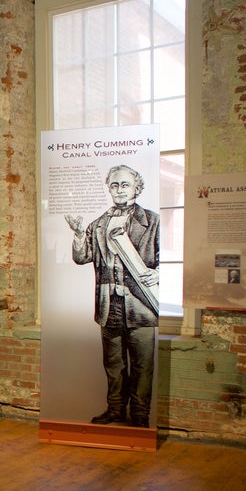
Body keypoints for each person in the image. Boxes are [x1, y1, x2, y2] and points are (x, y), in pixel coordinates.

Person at [64, 164, 159, 428]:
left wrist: (159, 274)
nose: (119, 189)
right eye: (114, 185)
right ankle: (115, 410)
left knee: (142, 366)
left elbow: (165, 261)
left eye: (125, 184)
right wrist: (79, 233)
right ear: (109, 188)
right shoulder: (98, 224)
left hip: (141, 306)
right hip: (109, 306)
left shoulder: (152, 221)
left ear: (136, 188)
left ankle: (140, 415)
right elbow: (82, 257)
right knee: (114, 364)